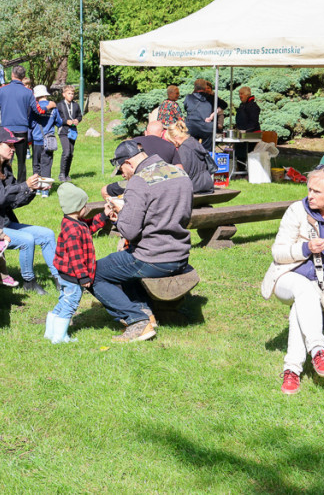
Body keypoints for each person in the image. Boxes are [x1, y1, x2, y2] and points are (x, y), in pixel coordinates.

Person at [260, 165, 324, 394]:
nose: (310, 195)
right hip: (287, 278)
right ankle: (318, 351)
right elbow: (278, 253)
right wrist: (305, 248)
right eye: (309, 189)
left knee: (301, 306)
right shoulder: (297, 211)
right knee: (304, 290)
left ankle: (292, 371)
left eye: (317, 192)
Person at [93, 140, 193, 343]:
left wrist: (120, 214)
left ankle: (136, 321)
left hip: (153, 257)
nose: (122, 175)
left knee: (92, 273)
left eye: (121, 169)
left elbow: (130, 231)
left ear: (129, 162)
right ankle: (147, 314)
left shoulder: (139, 181)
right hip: (180, 253)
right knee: (121, 264)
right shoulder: (179, 173)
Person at [0, 127, 57, 294]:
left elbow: (13, 202)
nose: (13, 149)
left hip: (3, 222)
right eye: (9, 145)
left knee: (47, 234)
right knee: (27, 240)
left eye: (14, 145)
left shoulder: (5, 169)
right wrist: (24, 185)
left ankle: (60, 278)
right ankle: (29, 282)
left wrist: (32, 189)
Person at [45, 183, 109, 344]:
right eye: (84, 205)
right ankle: (59, 338)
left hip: (65, 273)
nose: (86, 207)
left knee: (63, 301)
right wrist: (83, 278)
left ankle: (50, 331)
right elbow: (76, 257)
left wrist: (104, 215)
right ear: (76, 206)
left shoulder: (73, 222)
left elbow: (89, 227)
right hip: (73, 276)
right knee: (71, 303)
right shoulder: (73, 231)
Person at [0, 66, 45, 181]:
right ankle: (21, 185)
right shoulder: (28, 92)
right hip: (22, 131)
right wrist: (48, 106)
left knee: (4, 159)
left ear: (12, 74)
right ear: (23, 77)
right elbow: (38, 110)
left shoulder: (2, 89)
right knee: (21, 161)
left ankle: (5, 181)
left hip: (6, 131)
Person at [29, 85, 62, 196]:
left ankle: (37, 188)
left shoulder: (35, 108)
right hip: (49, 140)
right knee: (46, 164)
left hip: (37, 139)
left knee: (36, 164)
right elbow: (59, 122)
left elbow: (31, 123)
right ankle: (45, 190)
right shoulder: (53, 108)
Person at [164, 121, 214, 194]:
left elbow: (183, 173)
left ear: (174, 137)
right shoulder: (194, 142)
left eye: (169, 140)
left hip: (194, 187)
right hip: (206, 183)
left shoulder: (184, 149)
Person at [184, 79, 224, 151]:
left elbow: (185, 108)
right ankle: (206, 161)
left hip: (191, 127)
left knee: (191, 149)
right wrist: (212, 115)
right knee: (207, 151)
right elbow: (224, 105)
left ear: (195, 87)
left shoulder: (189, 97)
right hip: (206, 127)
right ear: (205, 88)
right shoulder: (211, 98)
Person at [56, 86, 82, 182]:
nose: (71, 96)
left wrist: (77, 120)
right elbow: (56, 119)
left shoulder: (75, 105)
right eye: (69, 93)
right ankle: (61, 174)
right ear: (64, 94)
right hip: (63, 131)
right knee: (66, 152)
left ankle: (67, 174)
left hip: (72, 132)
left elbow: (80, 115)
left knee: (70, 153)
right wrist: (65, 121)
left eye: (72, 94)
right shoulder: (59, 105)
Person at [233, 86, 261, 170]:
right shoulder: (242, 105)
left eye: (242, 94)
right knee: (239, 151)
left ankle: (243, 170)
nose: (240, 96)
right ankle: (240, 170)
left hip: (251, 134)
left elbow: (253, 122)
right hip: (243, 133)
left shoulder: (252, 106)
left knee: (244, 152)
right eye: (239, 94)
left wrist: (245, 131)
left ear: (247, 95)